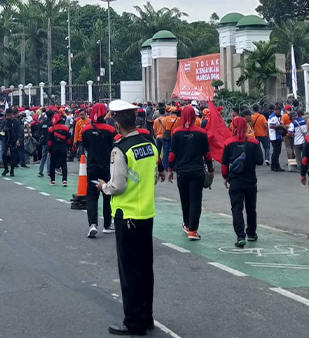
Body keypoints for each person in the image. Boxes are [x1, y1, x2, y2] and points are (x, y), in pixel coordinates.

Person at [96, 100, 165, 336]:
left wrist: (104, 187)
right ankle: (146, 317)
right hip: (146, 214)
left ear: (117, 123)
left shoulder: (120, 150)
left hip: (127, 216)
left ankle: (132, 321)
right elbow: (153, 178)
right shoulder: (150, 146)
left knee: (129, 271)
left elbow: (118, 185)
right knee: (145, 269)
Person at [168, 106, 214, 241]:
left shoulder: (176, 133)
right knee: (195, 201)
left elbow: (172, 154)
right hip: (197, 171)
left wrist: (170, 170)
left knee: (185, 200)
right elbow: (207, 154)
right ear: (194, 117)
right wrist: (210, 169)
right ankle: (193, 231)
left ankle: (187, 224)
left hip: (182, 172)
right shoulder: (201, 133)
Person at [222, 116, 264, 248]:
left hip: (235, 180)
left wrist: (225, 177)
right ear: (247, 126)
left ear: (233, 127)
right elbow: (260, 161)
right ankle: (251, 233)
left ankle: (240, 236)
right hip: (250, 180)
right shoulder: (254, 143)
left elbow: (224, 164)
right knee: (251, 208)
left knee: (237, 208)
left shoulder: (228, 142)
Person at [82, 103, 116, 238]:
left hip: (92, 165)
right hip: (107, 166)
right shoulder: (110, 129)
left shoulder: (86, 130)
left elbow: (84, 145)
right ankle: (107, 225)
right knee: (107, 194)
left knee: (92, 195)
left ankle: (92, 225)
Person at [48, 113, 71, 186]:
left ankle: (52, 180)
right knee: (64, 164)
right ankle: (64, 180)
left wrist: (49, 150)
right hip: (63, 148)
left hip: (54, 149)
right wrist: (68, 148)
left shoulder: (51, 129)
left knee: (52, 164)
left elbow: (49, 141)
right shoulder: (66, 128)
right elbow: (69, 140)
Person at [2, 109, 22, 177]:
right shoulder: (4, 122)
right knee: (4, 155)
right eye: (7, 115)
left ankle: (12, 170)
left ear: (12, 115)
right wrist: (3, 130)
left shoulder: (16, 122)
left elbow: (19, 131)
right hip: (6, 140)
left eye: (9, 115)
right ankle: (6, 169)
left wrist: (18, 139)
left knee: (13, 156)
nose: (8, 116)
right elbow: (0, 132)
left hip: (13, 141)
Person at [162, 106, 180, 171]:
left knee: (166, 151)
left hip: (168, 135)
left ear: (171, 112)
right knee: (175, 151)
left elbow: (164, 125)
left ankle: (166, 165)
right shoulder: (179, 119)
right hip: (176, 136)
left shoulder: (166, 118)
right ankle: (175, 165)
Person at [268, 105, 286, 171]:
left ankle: (274, 165)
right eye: (279, 111)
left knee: (276, 152)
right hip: (275, 136)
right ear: (276, 110)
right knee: (276, 152)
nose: (280, 112)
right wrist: (280, 126)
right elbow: (271, 126)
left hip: (274, 136)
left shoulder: (274, 116)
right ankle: (276, 166)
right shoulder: (273, 117)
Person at [38, 110, 53, 177]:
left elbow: (40, 131)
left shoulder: (43, 121)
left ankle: (40, 171)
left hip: (44, 140)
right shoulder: (51, 122)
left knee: (43, 156)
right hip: (49, 140)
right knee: (49, 156)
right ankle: (49, 171)